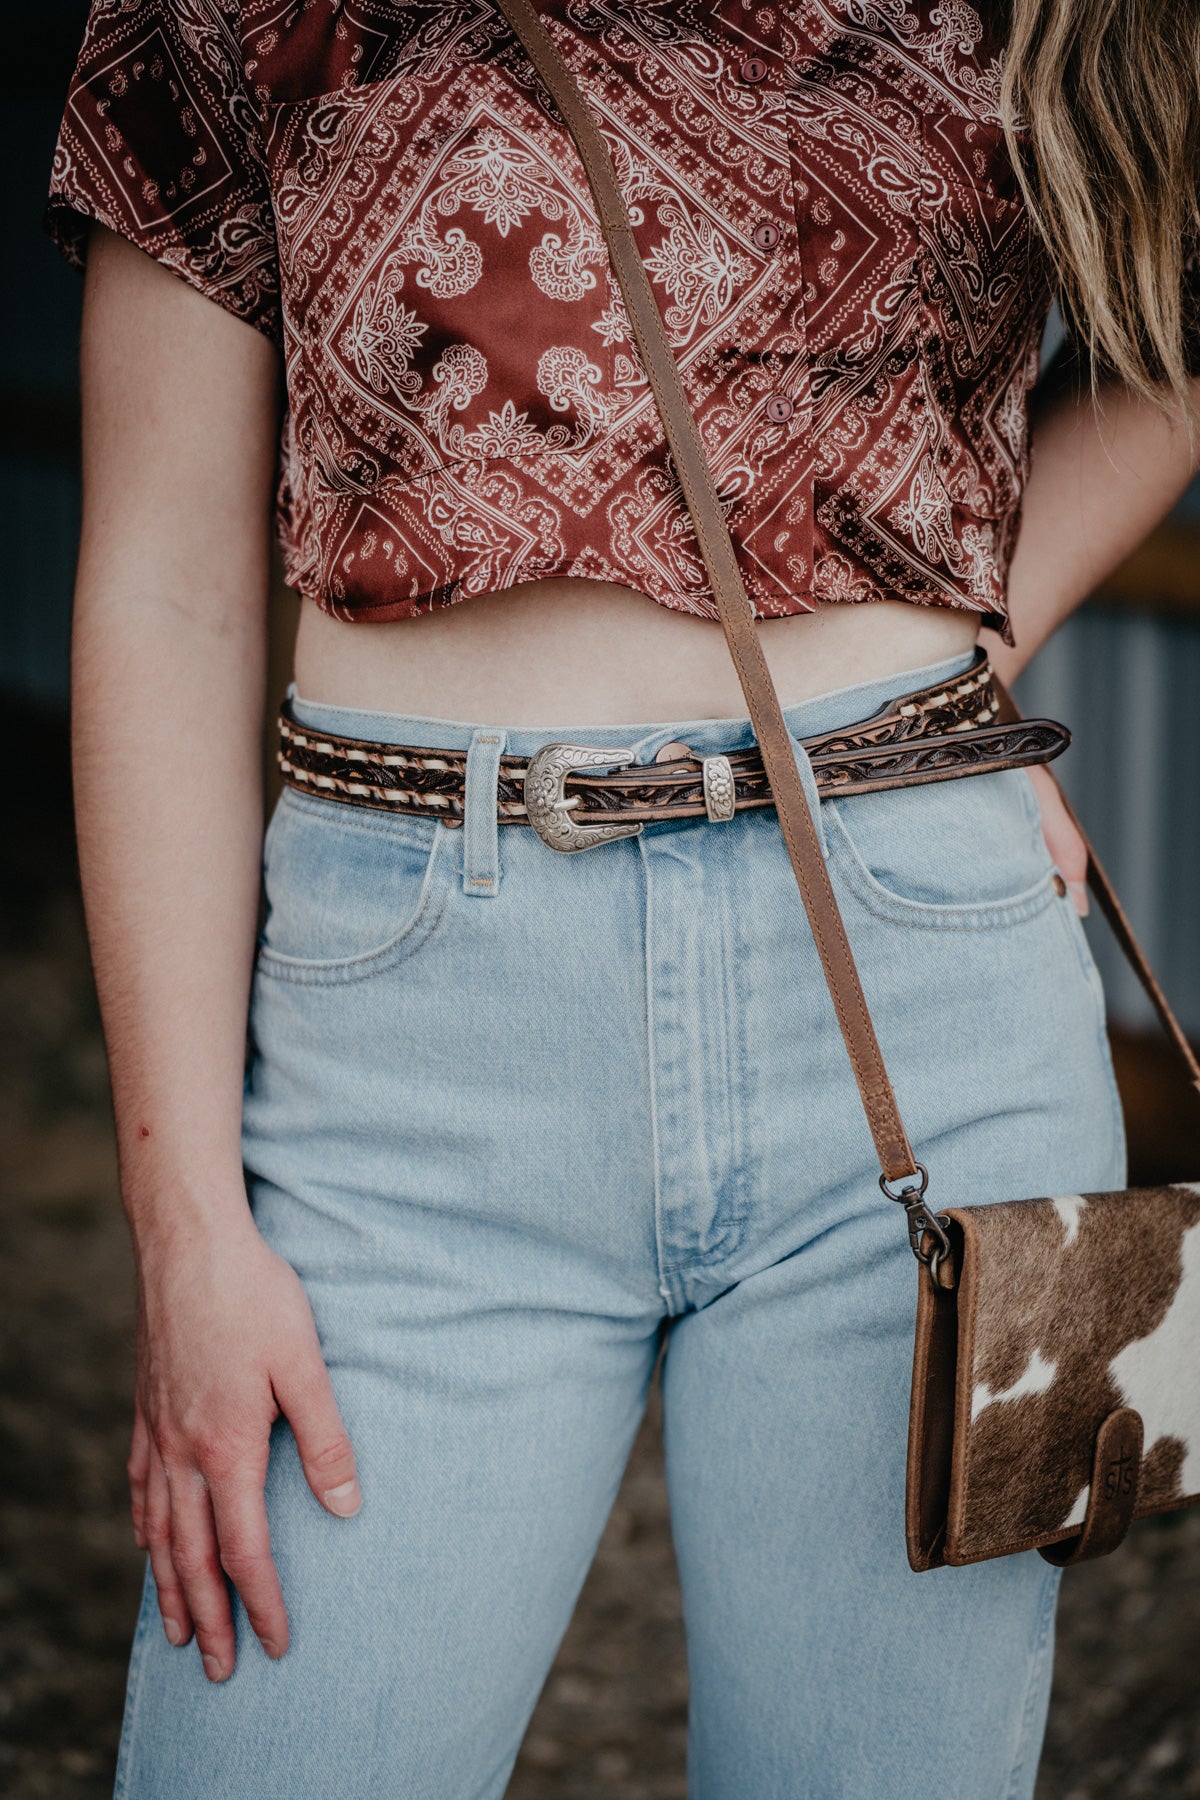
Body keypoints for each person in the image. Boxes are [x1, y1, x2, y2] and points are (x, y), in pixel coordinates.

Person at [46, 2, 1199, 1794]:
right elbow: (163, 585)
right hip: (412, 1057)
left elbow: (1177, 305)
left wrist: (969, 648)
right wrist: (185, 1225)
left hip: (919, 982)